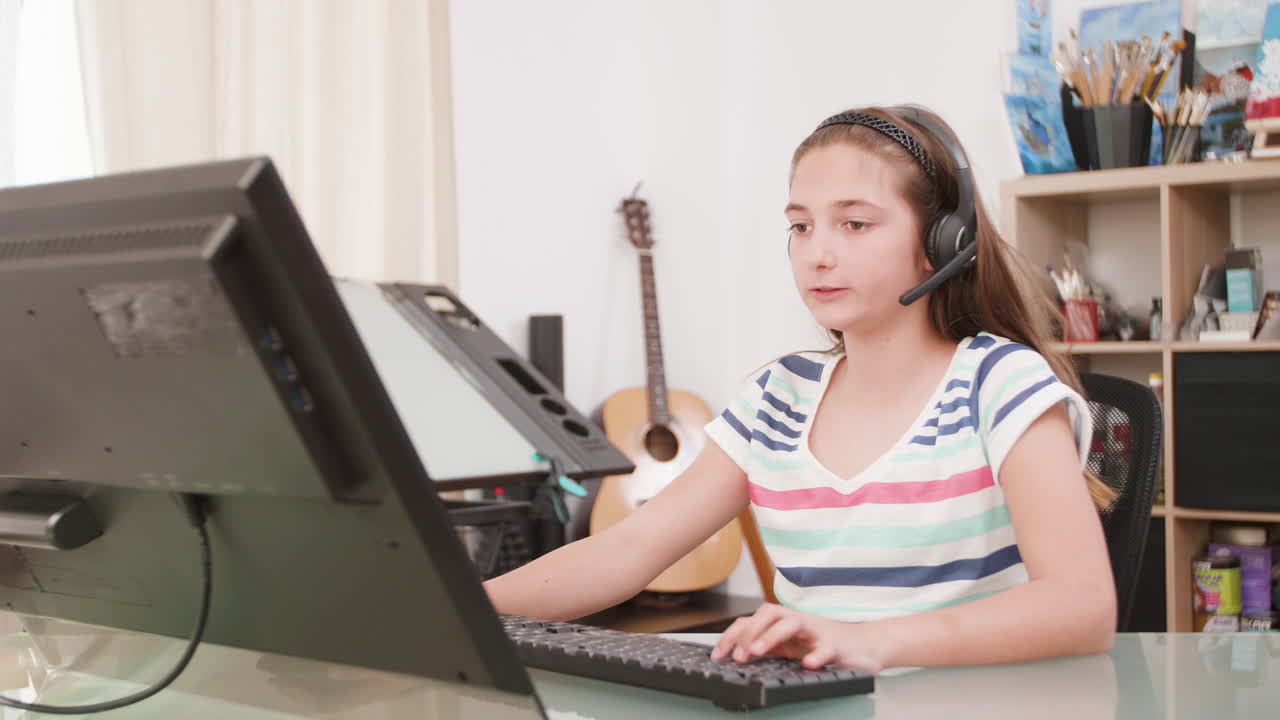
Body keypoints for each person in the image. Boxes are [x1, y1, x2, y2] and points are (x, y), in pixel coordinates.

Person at [484, 105, 1118, 674]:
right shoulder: (776, 398)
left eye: (855, 224)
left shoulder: (1000, 384)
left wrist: (867, 642)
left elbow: (1083, 606)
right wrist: (460, 608)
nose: (818, 254)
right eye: (801, 226)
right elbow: (630, 548)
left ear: (939, 245)